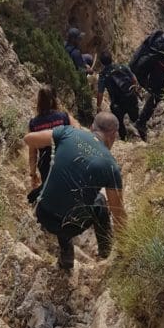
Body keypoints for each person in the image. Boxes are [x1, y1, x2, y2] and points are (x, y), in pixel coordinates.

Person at [24, 112, 126, 271]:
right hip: (70, 226)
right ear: (114, 134)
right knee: (100, 201)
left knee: (62, 190)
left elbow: (28, 139)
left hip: (43, 212)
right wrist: (126, 251)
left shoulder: (68, 132)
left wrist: (56, 146)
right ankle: (106, 253)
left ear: (92, 127)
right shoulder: (110, 165)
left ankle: (66, 255)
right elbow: (119, 215)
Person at [27, 86, 74, 192]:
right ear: (54, 100)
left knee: (50, 193)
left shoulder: (33, 124)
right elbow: (73, 141)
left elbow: (32, 153)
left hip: (45, 165)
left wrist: (33, 173)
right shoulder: (64, 117)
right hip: (64, 161)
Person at [96, 52, 140, 141]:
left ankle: (124, 139)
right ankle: (141, 135)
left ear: (102, 63)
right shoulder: (122, 67)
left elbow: (100, 93)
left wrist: (98, 106)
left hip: (117, 104)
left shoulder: (103, 75)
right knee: (136, 118)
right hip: (130, 97)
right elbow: (134, 79)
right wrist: (134, 91)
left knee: (119, 122)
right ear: (111, 58)